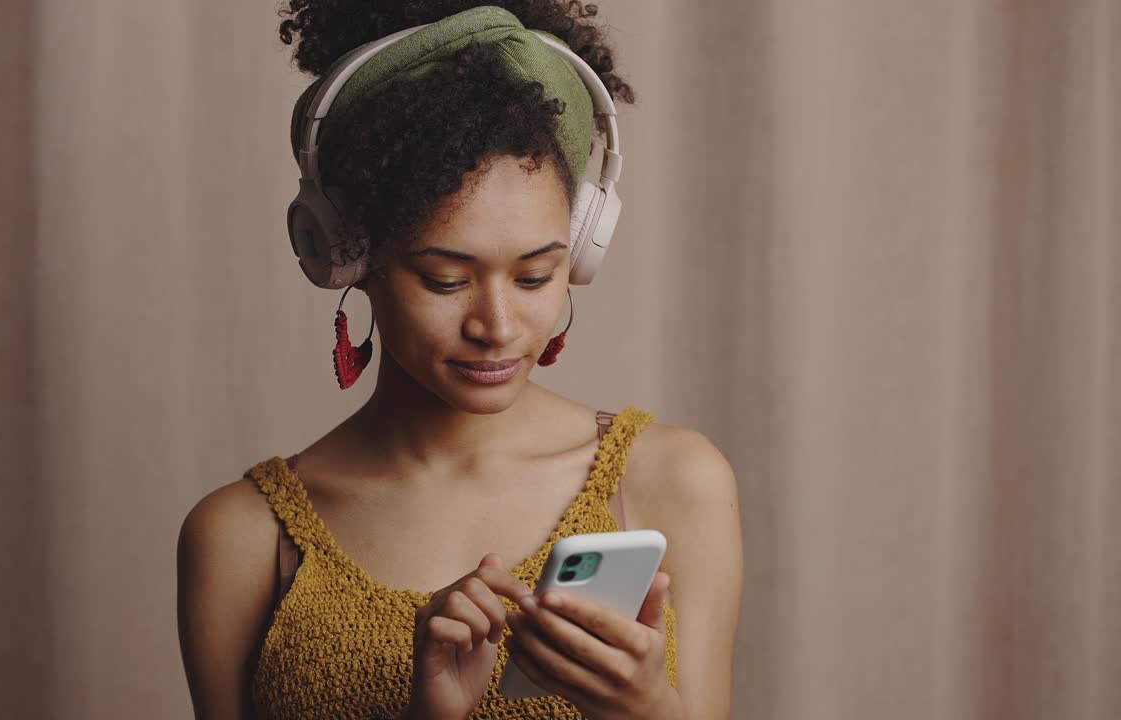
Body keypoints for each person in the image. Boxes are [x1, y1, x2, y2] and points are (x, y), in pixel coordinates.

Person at [177, 2, 743, 719]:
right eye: (446, 280)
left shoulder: (674, 484)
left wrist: (647, 712)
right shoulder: (243, 538)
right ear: (347, 255)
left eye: (536, 276)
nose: (499, 326)